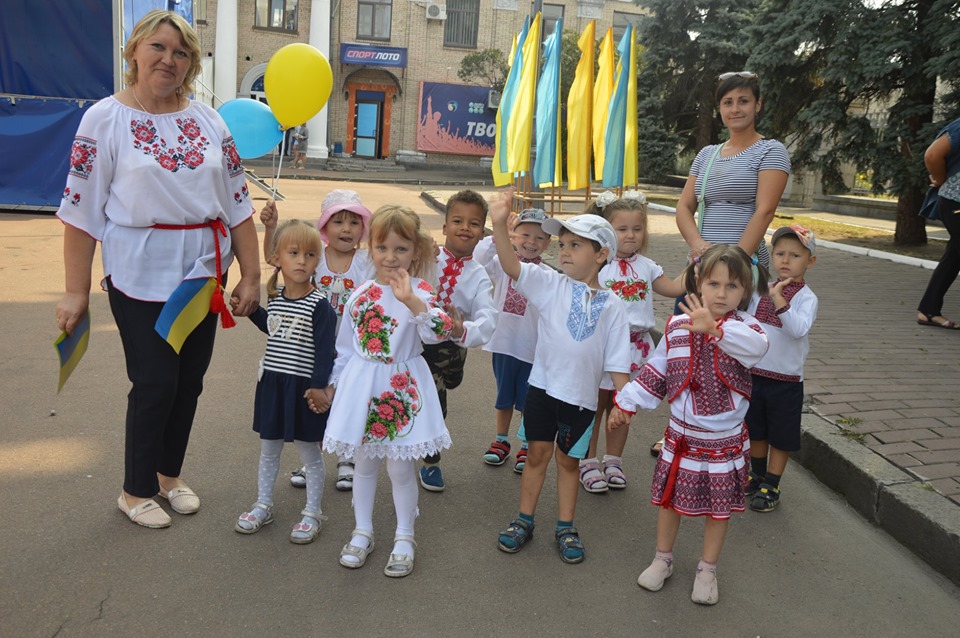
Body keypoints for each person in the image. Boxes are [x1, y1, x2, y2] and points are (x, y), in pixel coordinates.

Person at [54, 10, 261, 529]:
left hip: (201, 275)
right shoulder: (103, 119)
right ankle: (135, 489)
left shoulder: (210, 120)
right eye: (159, 48)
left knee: (189, 381)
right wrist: (74, 292)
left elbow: (237, 202)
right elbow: (80, 213)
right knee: (154, 384)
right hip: (139, 275)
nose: (170, 59)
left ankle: (169, 477)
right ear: (134, 52)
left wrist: (251, 275)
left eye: (182, 51)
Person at [609, 244, 769, 605]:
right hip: (681, 438)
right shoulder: (678, 325)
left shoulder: (747, 328)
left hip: (722, 441)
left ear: (745, 291)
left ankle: (707, 569)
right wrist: (626, 404)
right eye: (714, 284)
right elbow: (657, 369)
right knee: (669, 502)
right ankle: (662, 559)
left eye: (732, 286)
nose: (722, 293)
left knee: (718, 509)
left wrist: (716, 330)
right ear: (698, 281)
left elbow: (757, 348)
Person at [489, 190, 631, 564]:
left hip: (581, 398)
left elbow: (618, 360)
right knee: (536, 455)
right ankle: (524, 520)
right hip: (542, 390)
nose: (564, 251)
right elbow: (511, 266)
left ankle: (566, 525)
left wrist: (624, 402)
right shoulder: (549, 283)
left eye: (575, 245)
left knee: (569, 463)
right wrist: (499, 223)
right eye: (563, 244)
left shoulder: (614, 306)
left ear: (601, 255)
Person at [657, 70, 790, 457]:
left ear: (758, 104)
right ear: (719, 108)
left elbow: (764, 211)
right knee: (688, 350)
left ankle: (730, 440)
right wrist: (699, 248)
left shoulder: (771, 151)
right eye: (728, 102)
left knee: (731, 352)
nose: (736, 108)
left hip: (740, 271)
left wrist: (732, 267)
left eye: (743, 100)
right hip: (702, 270)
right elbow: (684, 206)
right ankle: (683, 430)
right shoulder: (707, 155)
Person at [322, 205, 454, 578]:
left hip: (401, 389)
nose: (391, 257)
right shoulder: (360, 294)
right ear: (371, 248)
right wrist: (335, 385)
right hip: (363, 388)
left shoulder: (421, 291)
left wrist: (412, 301)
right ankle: (362, 530)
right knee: (363, 465)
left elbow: (437, 331)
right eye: (382, 248)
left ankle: (404, 535)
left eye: (401, 249)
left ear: (415, 251)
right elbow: (346, 347)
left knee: (399, 468)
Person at [262, 190, 374, 491]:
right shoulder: (315, 256)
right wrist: (271, 227)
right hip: (312, 346)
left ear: (363, 229)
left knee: (348, 401)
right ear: (324, 228)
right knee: (315, 401)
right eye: (338, 221)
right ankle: (310, 455)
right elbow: (277, 256)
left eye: (354, 222)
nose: (347, 229)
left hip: (354, 348)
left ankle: (347, 459)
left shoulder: (366, 260)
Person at [233, 219, 337, 543]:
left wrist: (318, 387)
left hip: (304, 391)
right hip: (274, 386)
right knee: (269, 450)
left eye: (309, 254)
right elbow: (273, 327)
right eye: (294, 253)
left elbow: (325, 352)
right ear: (277, 258)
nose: (302, 261)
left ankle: (313, 512)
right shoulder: (277, 299)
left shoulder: (321, 306)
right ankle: (264, 504)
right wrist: (250, 311)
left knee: (309, 454)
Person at [579, 191, 685, 493]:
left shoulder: (648, 266)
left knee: (623, 406)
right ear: (606, 231)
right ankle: (587, 462)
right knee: (594, 407)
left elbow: (675, 287)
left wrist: (697, 263)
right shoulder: (598, 265)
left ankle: (613, 460)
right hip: (603, 347)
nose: (630, 235)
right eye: (622, 229)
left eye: (637, 229)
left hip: (635, 350)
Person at [418, 190, 497, 492]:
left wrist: (463, 330)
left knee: (450, 381)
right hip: (420, 346)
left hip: (455, 345)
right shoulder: (426, 257)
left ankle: (454, 370)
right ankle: (430, 461)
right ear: (445, 226)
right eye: (457, 221)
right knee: (434, 401)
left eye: (474, 223)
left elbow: (488, 318)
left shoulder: (479, 276)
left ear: (482, 232)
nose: (465, 228)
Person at [473, 208, 553, 473]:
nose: (531, 242)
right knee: (504, 396)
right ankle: (501, 440)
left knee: (529, 400)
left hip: (532, 348)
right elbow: (478, 260)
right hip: (504, 343)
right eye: (525, 234)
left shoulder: (549, 276)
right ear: (515, 236)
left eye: (540, 238)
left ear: (548, 243)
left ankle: (527, 444)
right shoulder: (501, 263)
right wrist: (498, 236)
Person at [746, 225, 818, 512]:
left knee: (781, 434)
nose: (785, 260)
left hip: (786, 381)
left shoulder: (806, 297)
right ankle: (757, 474)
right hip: (756, 374)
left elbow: (798, 330)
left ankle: (772, 482)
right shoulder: (761, 289)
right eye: (779, 254)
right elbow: (748, 324)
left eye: (795, 255)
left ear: (810, 261)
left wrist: (779, 300)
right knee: (756, 430)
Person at [917, 116, 960, 329]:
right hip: (956, 202)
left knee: (953, 257)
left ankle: (929, 310)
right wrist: (941, 179)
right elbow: (933, 154)